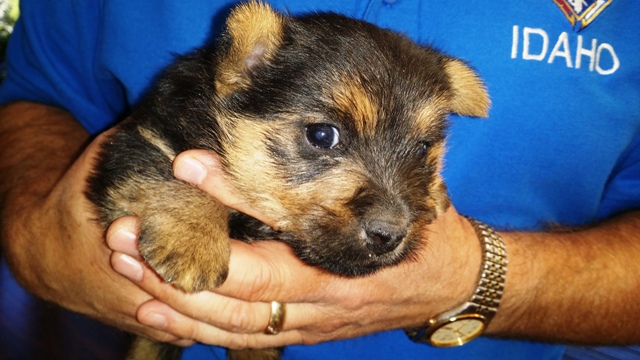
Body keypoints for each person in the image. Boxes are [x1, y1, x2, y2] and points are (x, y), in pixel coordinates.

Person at [1, 0, 639, 359]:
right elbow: (37, 94)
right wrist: (29, 233)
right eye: (322, 136)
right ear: (240, 74)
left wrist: (483, 278)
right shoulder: (224, 80)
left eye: (420, 147)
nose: (391, 215)